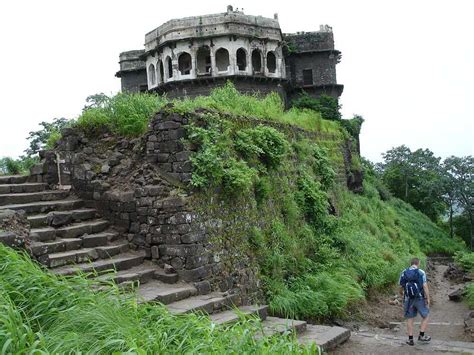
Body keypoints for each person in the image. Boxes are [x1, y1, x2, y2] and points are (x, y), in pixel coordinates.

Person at [399, 257, 431, 346]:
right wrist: (428, 298)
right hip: (420, 298)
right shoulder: (421, 272)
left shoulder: (404, 272)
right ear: (418, 263)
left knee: (410, 319)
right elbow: (425, 286)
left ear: (411, 263)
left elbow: (401, 286)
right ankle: (421, 336)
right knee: (426, 316)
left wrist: (402, 294)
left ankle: (410, 339)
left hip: (408, 299)